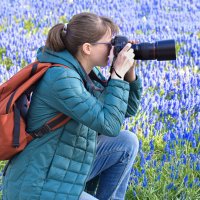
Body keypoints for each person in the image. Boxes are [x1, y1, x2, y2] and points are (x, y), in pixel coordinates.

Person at [2, 12, 142, 200]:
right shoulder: (61, 78)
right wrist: (117, 75)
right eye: (109, 44)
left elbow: (127, 110)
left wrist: (129, 74)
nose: (114, 49)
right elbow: (109, 124)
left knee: (126, 142)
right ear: (87, 48)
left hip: (63, 167)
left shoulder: (86, 74)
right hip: (39, 185)